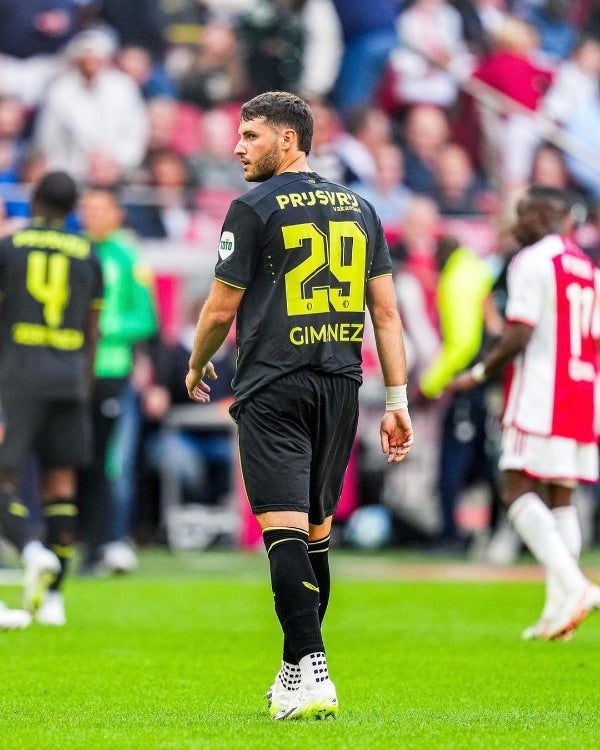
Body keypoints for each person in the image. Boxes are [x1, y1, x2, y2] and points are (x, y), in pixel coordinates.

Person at [185, 91, 413, 720]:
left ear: (289, 140)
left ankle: (314, 673)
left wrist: (198, 361)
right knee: (315, 537)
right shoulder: (361, 207)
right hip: (341, 384)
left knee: (282, 531)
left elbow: (221, 307)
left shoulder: (253, 206)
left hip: (274, 384)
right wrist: (397, 399)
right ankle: (295, 670)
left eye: (251, 135)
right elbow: (386, 313)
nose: (238, 146)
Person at [448, 186, 600, 640]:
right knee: (560, 497)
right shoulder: (588, 267)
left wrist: (477, 374)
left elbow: (519, 334)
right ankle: (559, 610)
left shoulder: (532, 260)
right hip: (582, 391)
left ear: (548, 215)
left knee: (515, 489)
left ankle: (575, 588)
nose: (517, 224)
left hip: (540, 391)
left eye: (524, 214)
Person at [0, 170, 104, 625]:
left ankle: (30, 548)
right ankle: (56, 597)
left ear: (34, 201)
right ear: (73, 208)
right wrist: (83, 381)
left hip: (20, 375)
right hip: (69, 378)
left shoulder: (11, 247)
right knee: (61, 485)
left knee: (4, 478)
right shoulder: (89, 254)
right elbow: (92, 328)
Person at [78, 189, 158, 575]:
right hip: (75, 374)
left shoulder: (127, 254)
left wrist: (108, 327)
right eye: (86, 208)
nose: (91, 215)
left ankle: (115, 540)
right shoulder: (74, 249)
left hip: (113, 371)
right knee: (79, 461)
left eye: (99, 208)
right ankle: (82, 543)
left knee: (115, 464)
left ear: (116, 213)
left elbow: (146, 317)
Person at [419, 235, 500, 552]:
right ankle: (495, 531)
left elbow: (462, 343)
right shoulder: (475, 270)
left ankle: (450, 534)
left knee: (452, 462)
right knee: (486, 461)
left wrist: (430, 384)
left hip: (468, 386)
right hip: (485, 382)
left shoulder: (456, 280)